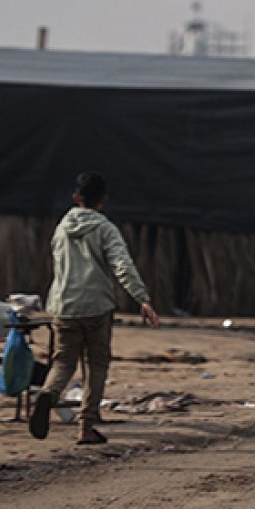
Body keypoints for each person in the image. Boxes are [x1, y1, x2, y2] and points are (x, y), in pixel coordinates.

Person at [30, 172, 158, 445]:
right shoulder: (105, 228)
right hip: (96, 308)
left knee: (63, 361)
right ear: (104, 200)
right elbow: (122, 265)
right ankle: (86, 426)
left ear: (76, 198)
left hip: (64, 306)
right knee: (96, 365)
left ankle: (48, 394)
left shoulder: (62, 227)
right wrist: (142, 298)